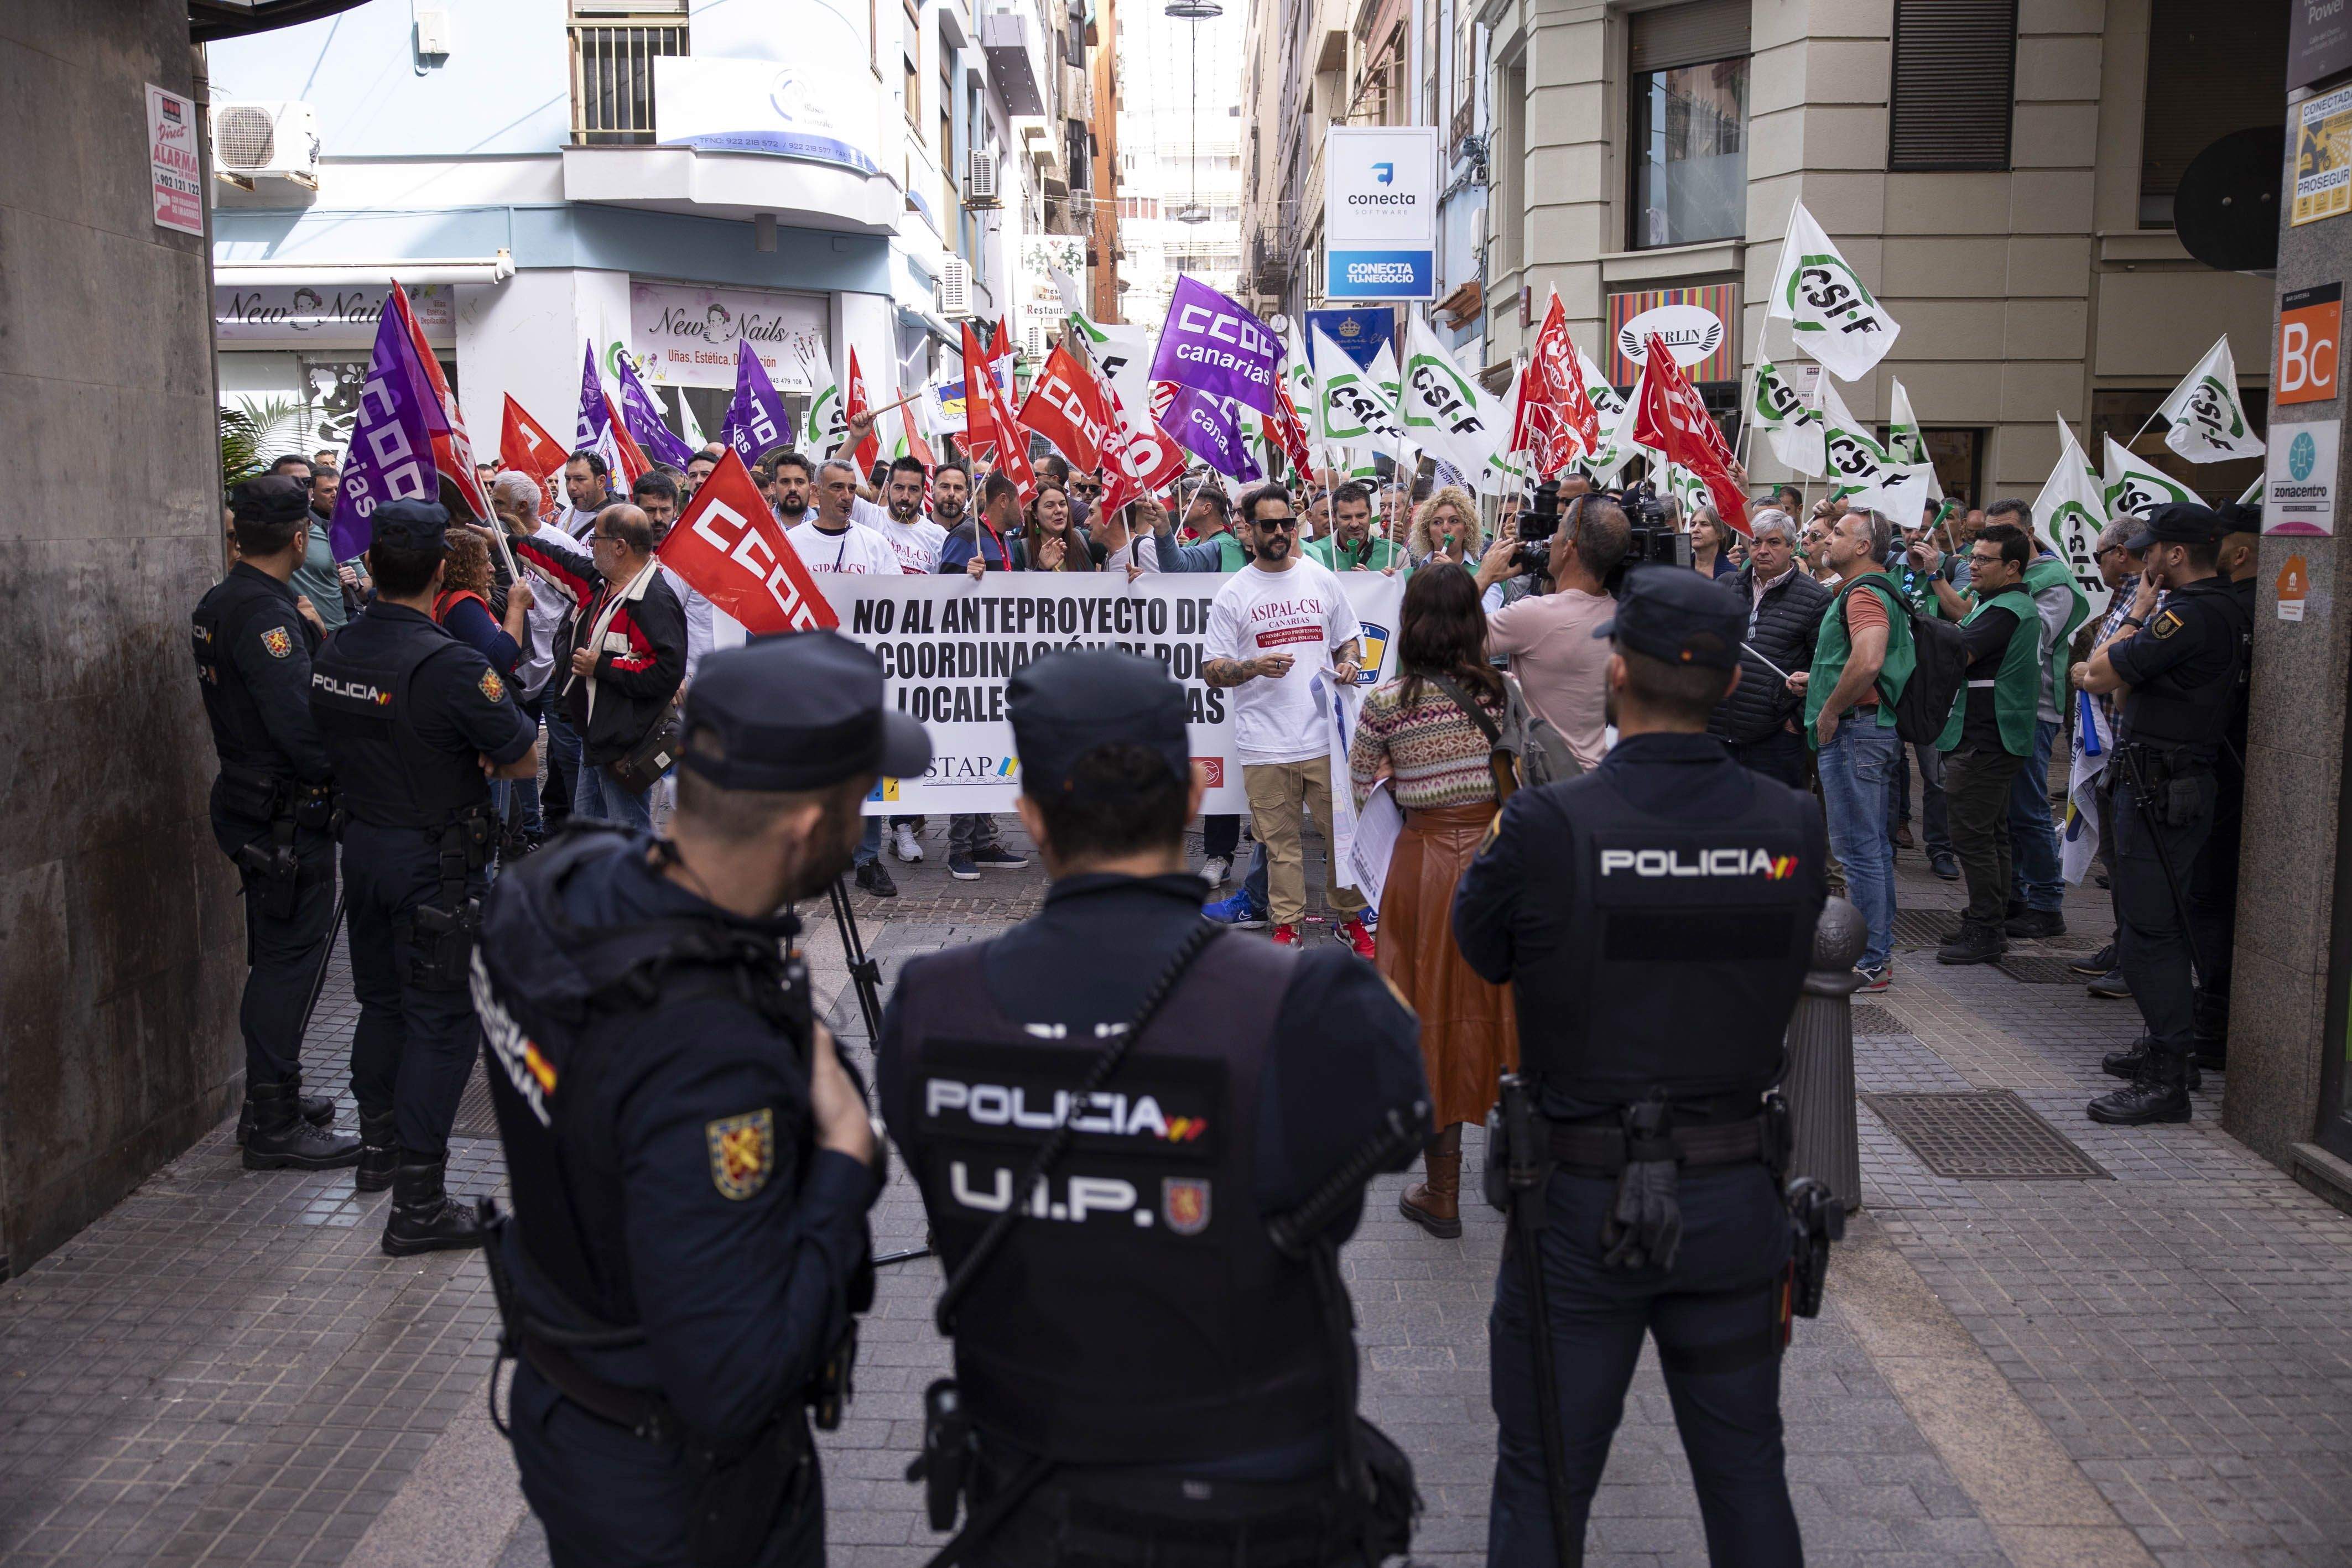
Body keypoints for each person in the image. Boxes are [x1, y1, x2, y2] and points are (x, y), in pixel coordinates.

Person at [876, 647, 1429, 1568]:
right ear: (1187, 802)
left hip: (1030, 1495)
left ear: (1030, 819)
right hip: (1257, 1502)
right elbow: (1401, 1109)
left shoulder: (930, 1006)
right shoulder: (1315, 1005)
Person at [476, 632, 898, 1568]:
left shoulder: (553, 888)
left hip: (568, 1404)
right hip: (680, 1489)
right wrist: (841, 1165)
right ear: (804, 829)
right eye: (859, 799)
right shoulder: (710, 1057)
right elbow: (733, 1379)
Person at [1453, 568, 1827, 1568]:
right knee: (1747, 1473)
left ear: (1618, 671)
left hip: (1578, 1203)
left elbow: (1480, 950)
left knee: (1543, 1476)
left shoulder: (1548, 825)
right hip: (1734, 1196)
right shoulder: (1790, 826)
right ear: (1727, 688)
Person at [309, 499, 540, 1252]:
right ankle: (418, 1202)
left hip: (366, 852)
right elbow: (523, 751)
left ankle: (376, 1149)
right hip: (433, 867)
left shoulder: (337, 648)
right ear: (441, 570)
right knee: (442, 1027)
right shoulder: (449, 663)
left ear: (371, 567)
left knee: (382, 1005)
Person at [1348, 568, 1519, 1239]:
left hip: (1421, 870)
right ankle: (1525, 1172)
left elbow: (1363, 780)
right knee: (1505, 1011)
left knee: (1431, 1019)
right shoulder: (1503, 692)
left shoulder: (1387, 702)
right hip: (1499, 864)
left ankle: (1441, 1194)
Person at [195, 476, 360, 1169]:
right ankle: (272, 1121)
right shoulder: (264, 617)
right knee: (288, 967)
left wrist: (312, 629)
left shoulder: (226, 599)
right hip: (283, 816)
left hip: (253, 805)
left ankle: (274, 1096)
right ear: (299, 538)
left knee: (279, 959)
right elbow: (302, 730)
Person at [2073, 503, 2249, 1125]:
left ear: (2176, 554)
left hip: (2163, 785)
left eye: (2151, 549)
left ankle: (2167, 1075)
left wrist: (2140, 615)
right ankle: (2167, 1048)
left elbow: (2097, 674)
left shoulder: (2190, 616)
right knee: (2157, 926)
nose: (2142, 560)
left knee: (2151, 933)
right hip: (2161, 781)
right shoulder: (2212, 609)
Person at [1204, 484, 1375, 955]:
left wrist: (1349, 662)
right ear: (1248, 530)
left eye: (1286, 524)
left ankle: (1351, 919)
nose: (1280, 533)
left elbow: (1349, 639)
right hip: (1265, 743)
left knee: (1342, 837)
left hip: (1323, 740)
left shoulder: (1320, 579)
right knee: (1280, 848)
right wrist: (1254, 666)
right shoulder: (1233, 594)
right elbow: (1212, 670)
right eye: (1268, 525)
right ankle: (1287, 925)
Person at [1909, 500, 2086, 935]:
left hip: (2019, 714)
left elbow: (1985, 643)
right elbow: (1964, 619)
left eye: (1989, 551)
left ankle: (2040, 903)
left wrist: (1926, 633)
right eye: (1976, 548)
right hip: (1989, 717)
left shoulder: (2033, 592)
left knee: (2010, 818)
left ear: (2022, 544)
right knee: (1999, 823)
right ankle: (2011, 902)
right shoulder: (1996, 596)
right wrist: (1934, 579)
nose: (1976, 560)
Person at [1786, 510, 1913, 992]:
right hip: (1867, 729)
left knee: (1859, 851)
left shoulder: (1863, 592)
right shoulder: (1869, 589)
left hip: (1856, 731)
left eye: (1838, 532)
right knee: (1871, 849)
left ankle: (1872, 960)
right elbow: (1855, 662)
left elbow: (1869, 657)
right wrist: (1817, 684)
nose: (1826, 538)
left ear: (1863, 547)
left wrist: (1831, 709)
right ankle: (1877, 950)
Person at [513, 504, 688, 833]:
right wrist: (508, 542)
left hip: (624, 740)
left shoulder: (652, 600)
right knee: (589, 824)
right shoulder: (601, 582)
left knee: (628, 828)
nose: (591, 546)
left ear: (620, 547)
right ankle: (596, 880)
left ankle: (636, 882)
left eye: (597, 539)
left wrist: (602, 667)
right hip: (596, 735)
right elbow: (560, 562)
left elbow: (665, 672)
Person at [1930, 523, 2044, 965]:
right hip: (1987, 735)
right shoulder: (1995, 602)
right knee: (1991, 834)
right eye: (1972, 556)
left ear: (2013, 567)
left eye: (1983, 559)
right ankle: (1988, 918)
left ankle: (1985, 929)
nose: (1972, 565)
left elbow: (1958, 653)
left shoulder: (2009, 608)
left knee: (1973, 837)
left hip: (1987, 738)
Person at [1471, 492, 1628, 773]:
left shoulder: (1536, 616)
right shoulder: (1623, 616)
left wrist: (1484, 576)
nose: (1549, 539)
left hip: (1544, 781)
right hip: (1595, 774)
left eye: (1557, 531)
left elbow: (1447, 636)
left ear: (1568, 548)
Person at [929, 472, 1034, 885]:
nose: (1024, 509)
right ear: (1003, 500)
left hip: (995, 662)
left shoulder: (1002, 540)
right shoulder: (968, 534)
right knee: (968, 749)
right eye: (1020, 501)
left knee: (990, 747)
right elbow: (938, 593)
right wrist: (962, 577)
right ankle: (959, 849)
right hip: (966, 663)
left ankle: (985, 841)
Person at [2066, 519, 2151, 999]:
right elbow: (2100, 658)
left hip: (2131, 750)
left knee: (2132, 864)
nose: (2097, 565)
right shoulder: (2125, 594)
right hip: (2108, 749)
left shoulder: (2150, 597)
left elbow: (2105, 669)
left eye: (2099, 556)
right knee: (2115, 858)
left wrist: (2090, 672)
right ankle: (2122, 944)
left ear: (2122, 552)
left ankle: (2136, 961)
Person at [2188, 503, 2258, 1063]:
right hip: (2227, 770)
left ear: (2238, 553)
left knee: (2209, 898)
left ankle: (2212, 1021)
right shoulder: (2236, 606)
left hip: (2223, 772)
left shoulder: (2230, 610)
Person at [492, 471, 590, 845]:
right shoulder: (494, 543)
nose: (492, 510)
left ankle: (578, 829)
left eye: (498, 503)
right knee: (519, 747)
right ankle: (526, 831)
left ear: (520, 507)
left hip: (554, 667)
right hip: (513, 664)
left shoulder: (559, 544)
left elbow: (581, 597)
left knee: (567, 752)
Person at [1708, 509, 1830, 789]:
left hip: (1775, 739)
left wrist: (1794, 725)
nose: (1763, 550)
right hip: (1717, 732)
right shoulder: (1725, 587)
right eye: (1756, 542)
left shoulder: (1815, 599)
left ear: (1791, 546)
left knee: (1772, 825)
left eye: (1773, 543)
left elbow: (1821, 669)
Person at [290, 463, 352, 631]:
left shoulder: (337, 530)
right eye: (327, 491)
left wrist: (356, 584)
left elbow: (365, 585)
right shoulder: (272, 536)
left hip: (337, 630)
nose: (334, 495)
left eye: (306, 483)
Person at [937, 463, 1024, 574]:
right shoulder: (965, 536)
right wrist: (968, 578)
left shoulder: (1006, 541)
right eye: (1022, 502)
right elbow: (947, 587)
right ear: (1003, 501)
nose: (1028, 509)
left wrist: (1041, 567)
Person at [870, 455, 949, 575]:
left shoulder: (940, 537)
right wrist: (854, 440)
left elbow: (952, 584)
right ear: (887, 489)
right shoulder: (870, 516)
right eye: (899, 488)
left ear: (923, 493)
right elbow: (832, 484)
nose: (905, 497)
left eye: (913, 490)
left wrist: (974, 570)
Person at [1304, 481, 1405, 573]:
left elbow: (1408, 592)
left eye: (1361, 516)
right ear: (1334, 516)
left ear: (1370, 512)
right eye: (1346, 517)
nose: (1354, 524)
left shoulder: (1396, 554)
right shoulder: (1313, 554)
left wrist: (1379, 583)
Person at [1021, 476, 1098, 571]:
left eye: (1062, 504)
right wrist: (1042, 568)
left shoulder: (1085, 539)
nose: (1058, 510)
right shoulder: (1021, 549)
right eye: (1050, 506)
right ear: (1034, 513)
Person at [559, 450, 616, 540]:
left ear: (601, 482)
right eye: (568, 479)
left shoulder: (617, 521)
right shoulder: (567, 514)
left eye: (580, 479)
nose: (571, 487)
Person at [1687, 505, 1737, 580]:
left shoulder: (1733, 575)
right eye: (1693, 525)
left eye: (1704, 524)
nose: (1695, 529)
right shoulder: (1677, 568)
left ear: (1721, 533)